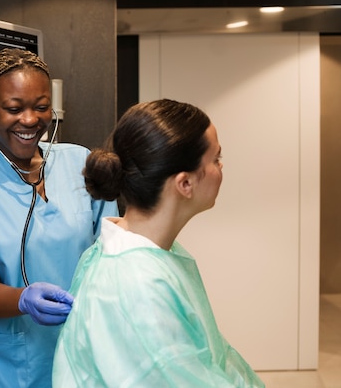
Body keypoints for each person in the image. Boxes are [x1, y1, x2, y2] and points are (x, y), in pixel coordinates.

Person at [0, 48, 118, 388]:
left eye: (41, 107)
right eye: (14, 108)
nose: (30, 120)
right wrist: (22, 299)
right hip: (9, 370)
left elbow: (113, 253)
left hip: (83, 357)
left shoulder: (79, 162)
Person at [52, 99, 265, 387]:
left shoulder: (146, 253)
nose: (221, 166)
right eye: (215, 159)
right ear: (185, 184)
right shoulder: (139, 285)